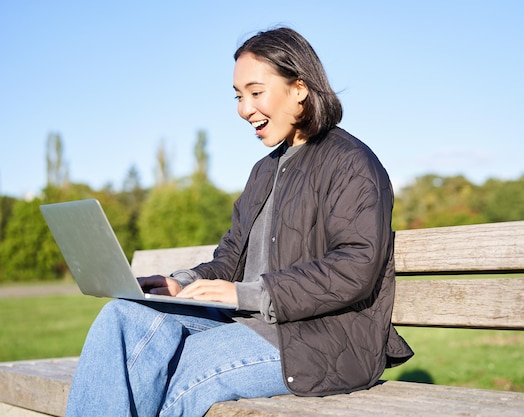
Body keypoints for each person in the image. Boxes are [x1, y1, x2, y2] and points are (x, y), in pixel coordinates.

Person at [65, 26, 413, 417]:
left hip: (323, 339)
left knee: (188, 367)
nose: (244, 108)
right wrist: (181, 283)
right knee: (122, 317)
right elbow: (230, 258)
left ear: (299, 88)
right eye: (238, 96)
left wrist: (246, 295)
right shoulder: (263, 172)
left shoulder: (351, 162)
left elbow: (354, 267)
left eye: (255, 92)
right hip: (250, 324)